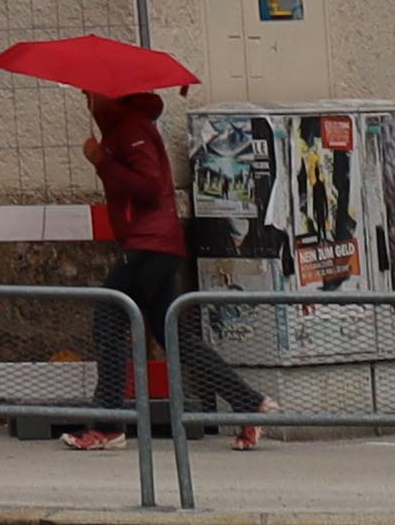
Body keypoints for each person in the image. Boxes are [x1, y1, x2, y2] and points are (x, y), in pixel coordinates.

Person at [65, 88, 259, 448]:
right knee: (174, 337)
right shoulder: (122, 129)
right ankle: (249, 403)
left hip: (149, 245)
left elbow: (151, 186)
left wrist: (101, 161)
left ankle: (108, 425)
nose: (86, 99)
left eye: (90, 93)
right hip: (154, 245)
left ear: (113, 94)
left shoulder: (132, 129)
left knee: (109, 318)